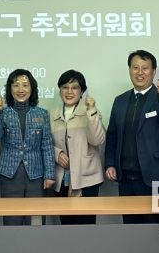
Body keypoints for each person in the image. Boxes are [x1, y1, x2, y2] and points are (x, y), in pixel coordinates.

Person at [104, 50, 159, 224]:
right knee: (132, 230)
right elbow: (112, 135)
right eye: (135, 67)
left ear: (153, 71)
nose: (140, 72)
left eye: (145, 68)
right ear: (129, 70)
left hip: (156, 178)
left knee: (157, 229)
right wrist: (109, 163)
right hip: (126, 180)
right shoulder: (120, 100)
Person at [0, 68, 55, 226]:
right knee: (12, 219)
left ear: (32, 89)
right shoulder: (3, 112)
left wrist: (50, 174)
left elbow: (46, 144)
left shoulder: (41, 113)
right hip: (9, 174)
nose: (21, 89)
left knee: (36, 220)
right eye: (16, 85)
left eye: (25, 85)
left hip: (36, 174)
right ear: (9, 89)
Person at [50, 69, 106, 225]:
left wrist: (91, 111)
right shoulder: (51, 114)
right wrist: (57, 154)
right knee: (66, 225)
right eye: (65, 87)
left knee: (86, 226)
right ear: (60, 90)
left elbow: (97, 140)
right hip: (62, 179)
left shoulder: (91, 112)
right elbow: (45, 143)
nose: (69, 92)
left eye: (74, 87)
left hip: (87, 179)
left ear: (81, 91)